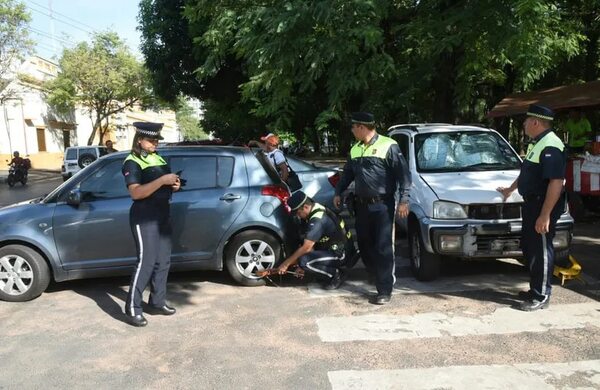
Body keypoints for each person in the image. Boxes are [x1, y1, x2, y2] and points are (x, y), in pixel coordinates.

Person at [333, 112, 411, 305]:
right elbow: (347, 174)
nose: (352, 130)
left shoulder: (388, 145)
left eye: (353, 127)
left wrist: (404, 200)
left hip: (383, 206)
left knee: (383, 247)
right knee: (365, 245)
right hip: (361, 206)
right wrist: (338, 192)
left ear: (362, 127)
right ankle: (376, 273)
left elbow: (404, 176)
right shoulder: (355, 149)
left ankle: (384, 289)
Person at [496, 104, 566, 311]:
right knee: (531, 249)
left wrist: (545, 215)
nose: (524, 124)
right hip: (533, 204)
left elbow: (556, 182)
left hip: (543, 205)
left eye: (526, 121)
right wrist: (510, 189)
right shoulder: (538, 143)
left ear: (535, 122)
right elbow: (528, 172)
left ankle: (542, 295)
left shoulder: (551, 145)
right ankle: (536, 288)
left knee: (542, 250)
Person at [121, 122, 181, 327]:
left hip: (162, 214)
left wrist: (174, 186)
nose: (155, 143)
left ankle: (157, 302)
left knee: (163, 261)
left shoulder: (157, 157)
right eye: (151, 140)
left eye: (157, 140)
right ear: (140, 140)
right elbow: (136, 193)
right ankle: (132, 309)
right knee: (145, 262)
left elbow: (162, 186)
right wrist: (163, 180)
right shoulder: (131, 162)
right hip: (144, 216)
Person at [276, 190, 356, 290]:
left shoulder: (318, 219)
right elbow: (311, 245)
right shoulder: (316, 208)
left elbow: (307, 247)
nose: (297, 215)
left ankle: (336, 274)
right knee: (305, 262)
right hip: (331, 250)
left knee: (305, 262)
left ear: (305, 207)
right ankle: (326, 273)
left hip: (341, 253)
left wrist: (286, 264)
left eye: (298, 212)